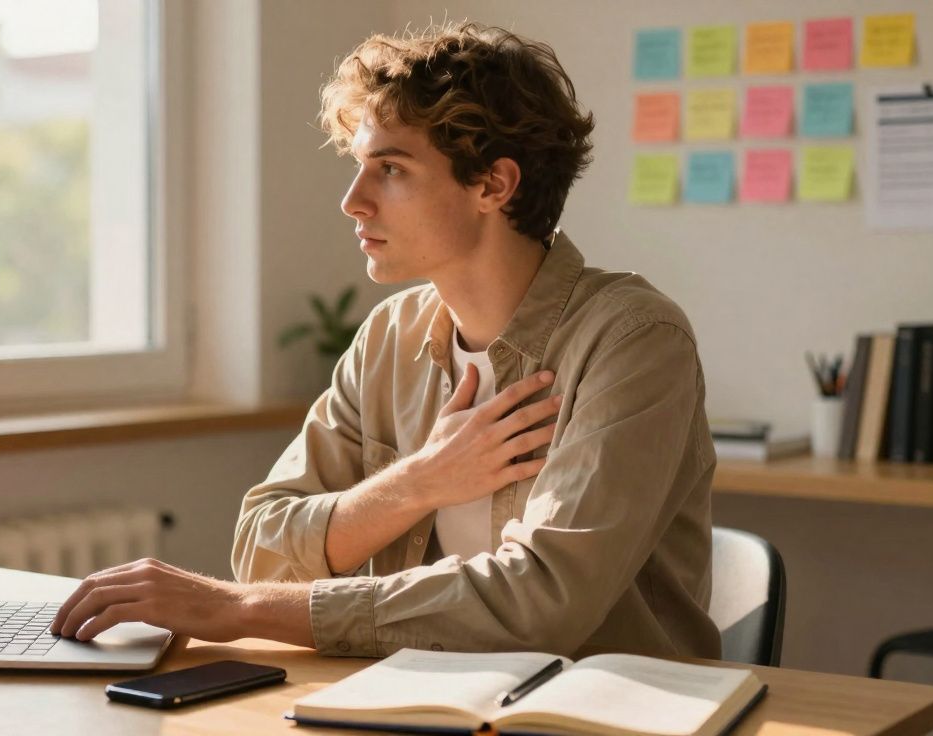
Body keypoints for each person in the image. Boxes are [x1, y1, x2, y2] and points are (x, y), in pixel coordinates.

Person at [53, 21, 721, 660]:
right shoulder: (389, 338)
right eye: (358, 164)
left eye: (391, 168)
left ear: (494, 183)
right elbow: (263, 548)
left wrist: (243, 611)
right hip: (427, 698)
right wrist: (419, 482)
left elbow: (544, 600)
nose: (353, 199)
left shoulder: (634, 341)